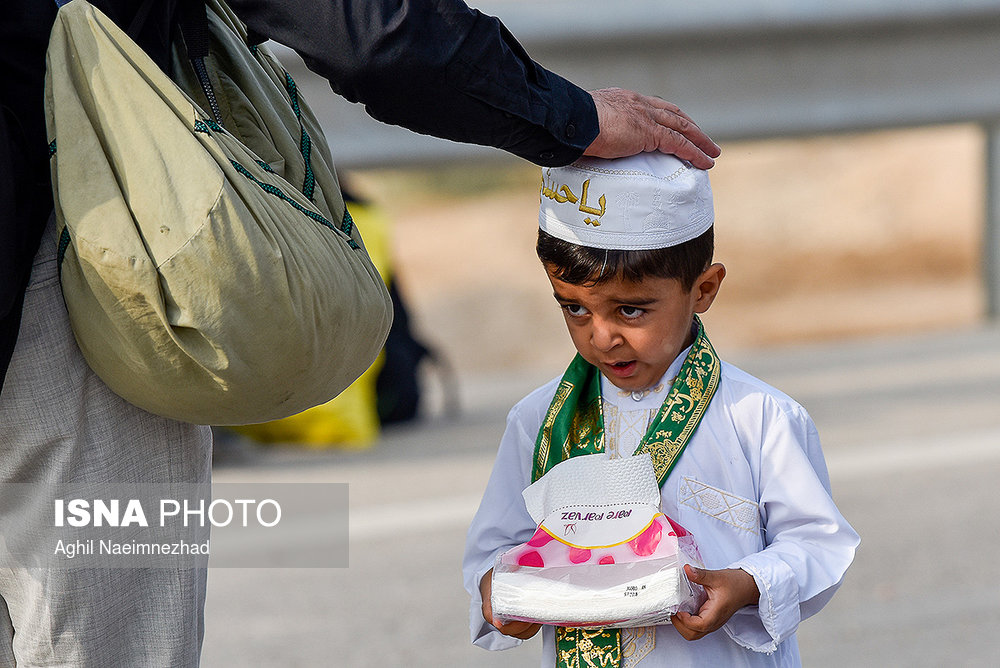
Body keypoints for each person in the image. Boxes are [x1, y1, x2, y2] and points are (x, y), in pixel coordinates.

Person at [0, 0, 720, 665]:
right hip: (74, 232)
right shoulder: (559, 423)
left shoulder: (745, 422)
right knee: (104, 620)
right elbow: (370, 27)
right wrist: (563, 114)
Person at [463, 152, 859, 667]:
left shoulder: (758, 416)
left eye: (631, 309)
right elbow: (494, 549)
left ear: (704, 289)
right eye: (574, 307)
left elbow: (817, 542)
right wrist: (505, 592)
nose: (602, 336)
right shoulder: (539, 421)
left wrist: (744, 585)